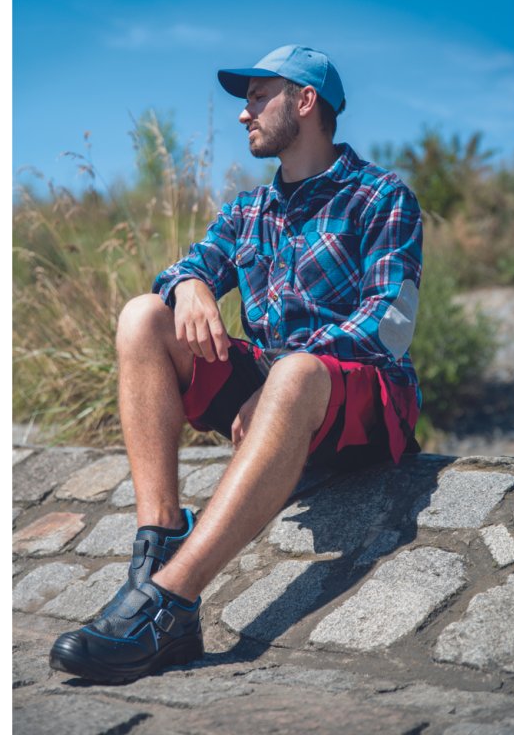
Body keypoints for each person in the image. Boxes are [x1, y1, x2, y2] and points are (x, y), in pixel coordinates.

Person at [49, 44, 423, 683]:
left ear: (305, 101)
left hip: (360, 403)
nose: (244, 114)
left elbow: (388, 323)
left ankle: (171, 605)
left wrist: (282, 377)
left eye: (257, 97)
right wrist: (191, 284)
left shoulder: (381, 196)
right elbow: (190, 265)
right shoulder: (250, 210)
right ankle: (159, 542)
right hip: (277, 391)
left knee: (296, 372)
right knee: (144, 316)